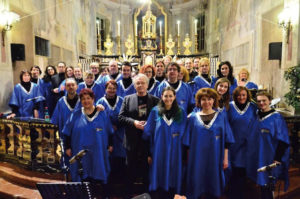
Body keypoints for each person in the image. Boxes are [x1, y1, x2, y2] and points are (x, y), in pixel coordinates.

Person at [183, 88, 234, 199]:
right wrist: (188, 160)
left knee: (213, 186)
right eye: (204, 99)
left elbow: (227, 140)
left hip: (215, 157)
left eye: (210, 99)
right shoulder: (192, 118)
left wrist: (225, 159)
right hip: (196, 158)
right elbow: (187, 142)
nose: (207, 102)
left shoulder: (221, 116)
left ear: (214, 100)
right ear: (199, 101)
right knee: (197, 185)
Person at [118, 74, 160, 196]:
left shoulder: (155, 100)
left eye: (143, 83)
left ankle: (147, 195)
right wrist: (134, 122)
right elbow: (120, 117)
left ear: (147, 85)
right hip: (131, 141)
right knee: (130, 171)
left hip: (148, 142)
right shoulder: (127, 99)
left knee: (147, 171)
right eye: (138, 83)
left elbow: (160, 119)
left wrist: (149, 124)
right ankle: (129, 195)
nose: (140, 85)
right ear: (134, 85)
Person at [143, 87, 187, 198]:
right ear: (161, 97)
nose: (168, 98)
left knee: (173, 173)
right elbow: (148, 132)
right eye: (166, 96)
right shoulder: (155, 111)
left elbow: (185, 133)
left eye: (170, 96)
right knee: (158, 173)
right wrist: (149, 153)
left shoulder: (181, 112)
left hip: (175, 149)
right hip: (159, 149)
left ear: (175, 97)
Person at [62, 88, 113, 184]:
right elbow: (67, 132)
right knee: (82, 173)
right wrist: (67, 147)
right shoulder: (75, 114)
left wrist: (110, 145)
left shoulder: (102, 114)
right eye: (83, 99)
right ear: (80, 101)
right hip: (80, 149)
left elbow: (109, 130)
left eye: (88, 98)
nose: (86, 101)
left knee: (98, 171)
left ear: (93, 99)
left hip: (98, 150)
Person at [246, 91, 289, 199]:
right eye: (259, 101)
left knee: (268, 185)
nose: (261, 103)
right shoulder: (256, 115)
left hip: (270, 157)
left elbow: (283, 140)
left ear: (270, 101)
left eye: (264, 100)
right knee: (260, 183)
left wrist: (277, 158)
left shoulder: (277, 118)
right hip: (258, 155)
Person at [227, 86, 257, 199]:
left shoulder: (253, 107)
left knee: (243, 170)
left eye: (244, 95)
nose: (241, 97)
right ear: (235, 96)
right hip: (233, 143)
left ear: (247, 95)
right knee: (233, 170)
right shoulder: (229, 106)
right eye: (239, 95)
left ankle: (240, 194)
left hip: (247, 144)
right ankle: (232, 193)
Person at [96, 80, 126, 186]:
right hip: (106, 136)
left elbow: (126, 117)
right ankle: (107, 186)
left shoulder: (122, 101)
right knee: (107, 160)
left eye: (113, 88)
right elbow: (97, 119)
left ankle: (120, 186)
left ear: (116, 89)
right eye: (109, 88)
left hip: (120, 135)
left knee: (120, 161)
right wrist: (109, 127)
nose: (111, 90)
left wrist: (117, 126)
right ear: (105, 89)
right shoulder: (100, 102)